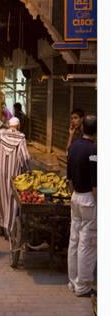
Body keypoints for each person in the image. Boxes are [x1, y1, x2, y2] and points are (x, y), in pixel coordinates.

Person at [66, 115, 97, 298]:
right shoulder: (93, 150)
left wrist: (74, 193)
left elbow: (68, 176)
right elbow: (95, 184)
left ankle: (72, 280)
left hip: (75, 196)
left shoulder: (74, 146)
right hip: (87, 199)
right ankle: (83, 286)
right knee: (87, 242)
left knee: (74, 240)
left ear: (83, 128)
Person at [0, 117, 30, 237]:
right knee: (12, 199)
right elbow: (25, 157)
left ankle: (2, 225)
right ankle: (10, 227)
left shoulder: (0, 136)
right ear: (18, 126)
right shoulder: (21, 138)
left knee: (0, 197)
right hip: (14, 175)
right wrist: (28, 171)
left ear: (9, 125)